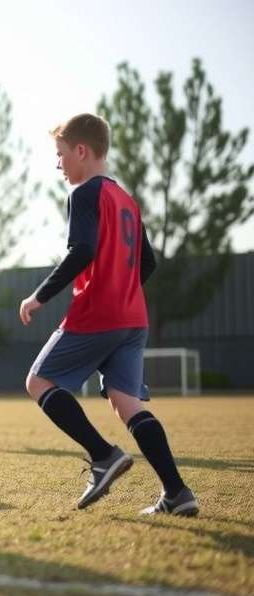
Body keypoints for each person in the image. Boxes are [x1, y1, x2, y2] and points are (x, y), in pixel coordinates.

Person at [19, 114, 198, 516]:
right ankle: (177, 493)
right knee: (125, 401)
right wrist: (124, 287)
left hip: (99, 313)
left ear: (81, 150)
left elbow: (81, 251)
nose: (59, 164)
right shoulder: (127, 200)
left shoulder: (84, 194)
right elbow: (147, 261)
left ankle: (103, 455)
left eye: (61, 154)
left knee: (38, 380)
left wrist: (38, 296)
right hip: (134, 318)